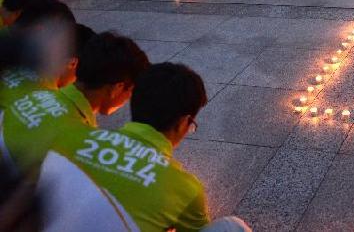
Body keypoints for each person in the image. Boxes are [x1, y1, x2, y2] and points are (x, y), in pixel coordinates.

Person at [43, 62, 251, 231]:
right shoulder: (184, 187)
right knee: (232, 227)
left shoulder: (77, 137)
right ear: (183, 122)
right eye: (191, 125)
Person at [0, 31, 150, 174]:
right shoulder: (81, 138)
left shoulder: (37, 95)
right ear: (117, 88)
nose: (128, 100)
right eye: (131, 92)